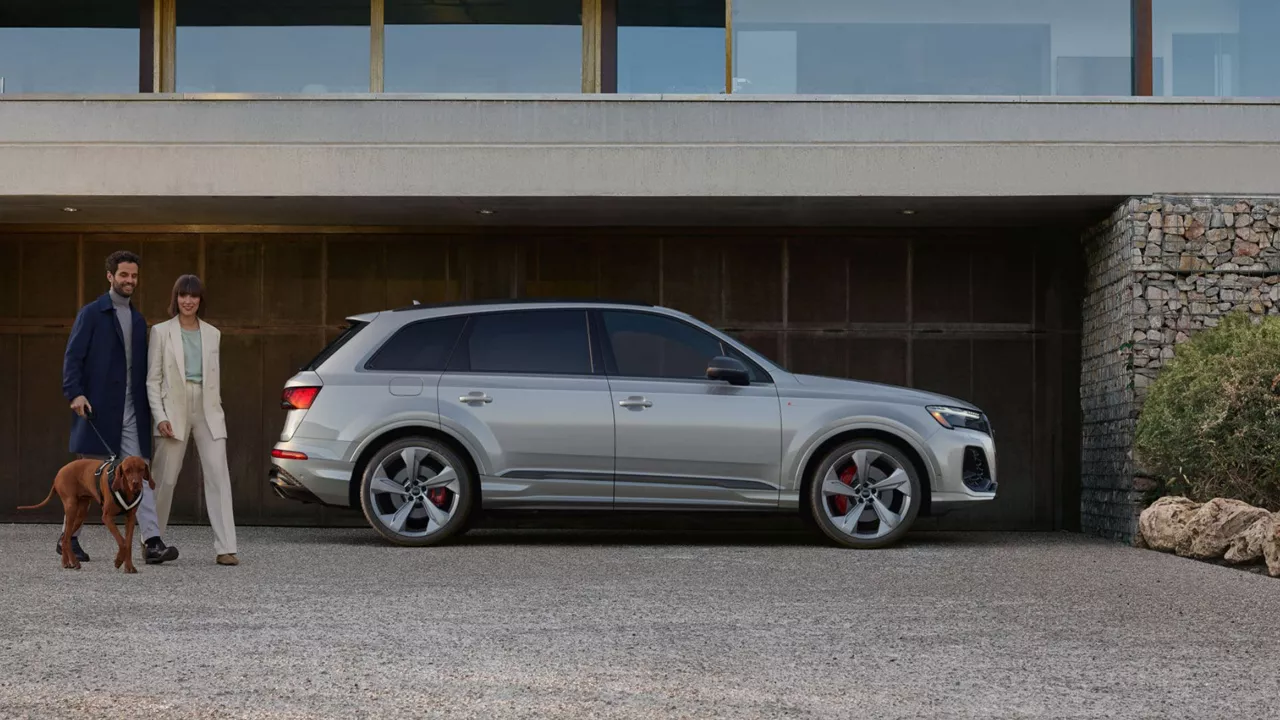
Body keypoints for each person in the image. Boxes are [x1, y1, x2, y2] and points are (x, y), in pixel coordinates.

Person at [63, 250, 179, 564]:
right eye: (124, 275)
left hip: (132, 411)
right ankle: (69, 540)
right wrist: (75, 392)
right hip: (98, 410)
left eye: (134, 276)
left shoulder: (138, 319)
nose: (130, 281)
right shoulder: (91, 313)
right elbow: (73, 357)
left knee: (138, 474)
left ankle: (152, 541)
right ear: (110, 276)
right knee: (89, 480)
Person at [146, 274, 238, 566]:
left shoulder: (213, 333)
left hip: (208, 409)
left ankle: (226, 548)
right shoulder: (161, 332)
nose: (188, 301)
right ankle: (152, 542)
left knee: (218, 476)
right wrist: (160, 416)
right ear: (175, 299)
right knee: (165, 478)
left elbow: (215, 378)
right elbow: (152, 380)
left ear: (200, 300)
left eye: (194, 296)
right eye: (183, 296)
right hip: (173, 408)